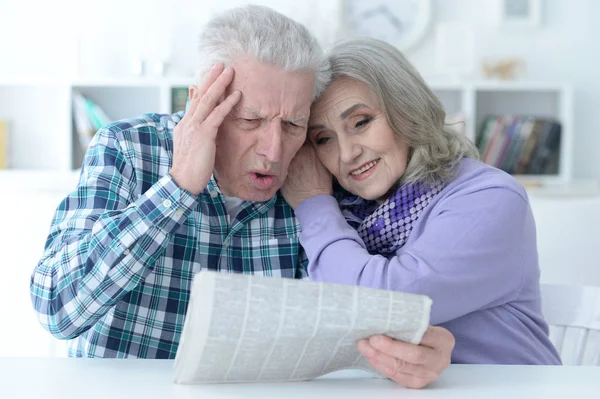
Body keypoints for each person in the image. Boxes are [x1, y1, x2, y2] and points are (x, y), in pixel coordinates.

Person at [29, 6, 453, 388]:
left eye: (293, 125)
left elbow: (356, 321)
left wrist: (417, 349)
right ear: (201, 102)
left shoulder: (315, 177)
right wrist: (177, 187)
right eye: (250, 120)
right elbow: (57, 309)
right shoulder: (128, 148)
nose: (274, 151)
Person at [282, 37, 562, 366]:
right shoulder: (349, 212)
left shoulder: (491, 198)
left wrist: (313, 205)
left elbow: (381, 303)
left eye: (361, 122)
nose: (347, 153)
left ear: (407, 109)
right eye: (324, 139)